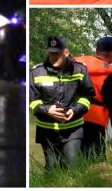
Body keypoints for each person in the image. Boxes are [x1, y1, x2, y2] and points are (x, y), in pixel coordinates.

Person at [29, 37, 95, 170]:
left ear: (66, 52)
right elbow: (32, 102)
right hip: (46, 130)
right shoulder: (36, 72)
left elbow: (88, 96)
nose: (53, 57)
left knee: (73, 167)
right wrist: (47, 110)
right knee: (52, 169)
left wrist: (76, 110)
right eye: (50, 53)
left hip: (73, 129)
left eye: (57, 53)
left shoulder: (80, 70)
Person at [74, 37, 112, 156]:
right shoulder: (110, 72)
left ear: (96, 50)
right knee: (94, 160)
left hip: (68, 116)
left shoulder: (75, 62)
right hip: (94, 119)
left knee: (69, 160)